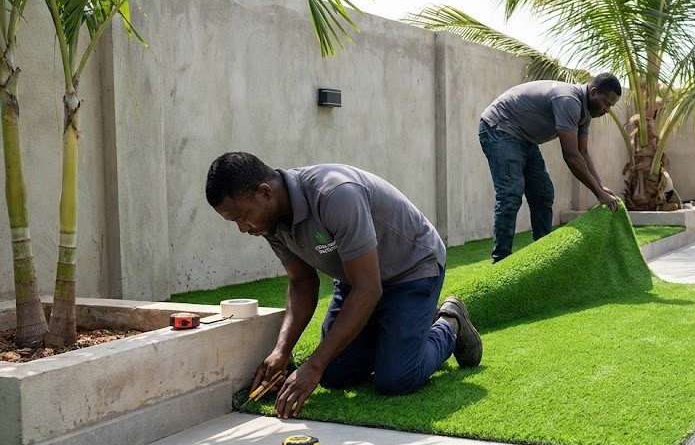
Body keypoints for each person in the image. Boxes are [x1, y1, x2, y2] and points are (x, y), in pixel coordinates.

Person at [205, 152, 482, 418]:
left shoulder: (335, 195)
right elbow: (302, 282)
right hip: (358, 280)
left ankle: (450, 323)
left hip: (411, 269)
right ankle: (392, 334)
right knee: (334, 373)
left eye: (241, 217)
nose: (242, 228)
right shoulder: (269, 221)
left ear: (265, 192)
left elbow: (369, 290)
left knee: (396, 378)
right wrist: (282, 351)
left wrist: (313, 365)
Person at [479, 73, 622, 262]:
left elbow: (583, 152)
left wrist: (600, 185)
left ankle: (543, 255)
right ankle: (501, 259)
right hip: (500, 127)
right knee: (510, 193)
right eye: (606, 103)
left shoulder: (586, 112)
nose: (607, 110)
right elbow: (571, 155)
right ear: (594, 92)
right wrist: (597, 193)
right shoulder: (569, 100)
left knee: (543, 193)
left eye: (611, 106)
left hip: (525, 138)